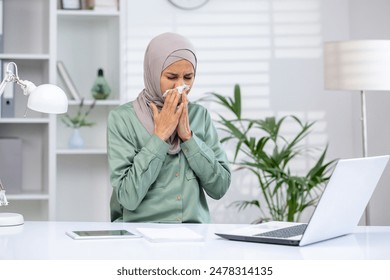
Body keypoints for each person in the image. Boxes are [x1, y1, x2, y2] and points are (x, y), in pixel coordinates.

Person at [107, 32, 231, 223]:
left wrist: (189, 138)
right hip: (139, 235)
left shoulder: (200, 116)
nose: (181, 86)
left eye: (188, 77)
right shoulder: (122, 119)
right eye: (172, 76)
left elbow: (220, 188)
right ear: (153, 72)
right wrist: (159, 137)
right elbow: (127, 197)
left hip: (193, 237)